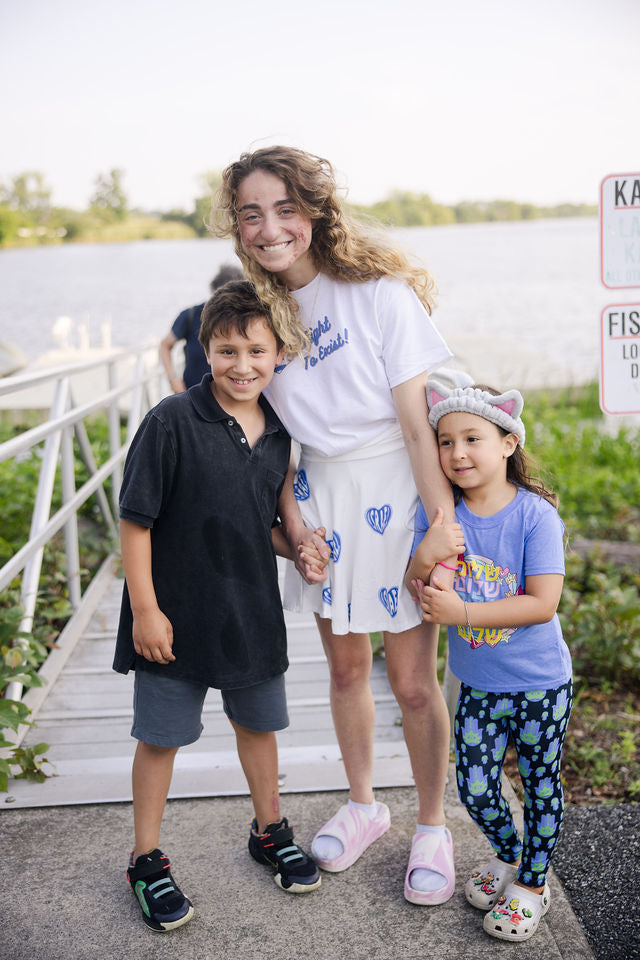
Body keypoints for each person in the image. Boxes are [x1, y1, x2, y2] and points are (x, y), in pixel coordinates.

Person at [212, 145, 458, 905]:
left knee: (413, 683)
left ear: (315, 212)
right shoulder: (260, 314)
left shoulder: (380, 294)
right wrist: (292, 524)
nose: (270, 227)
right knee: (347, 671)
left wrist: (440, 528)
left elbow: (419, 429)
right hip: (322, 502)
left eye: (285, 208)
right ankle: (363, 806)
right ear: (237, 228)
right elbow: (280, 443)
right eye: (251, 213)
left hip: (398, 489)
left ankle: (430, 825)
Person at [113, 280, 325, 933]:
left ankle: (269, 830)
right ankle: (146, 859)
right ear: (205, 349)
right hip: (172, 614)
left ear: (279, 352)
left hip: (249, 612)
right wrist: (145, 610)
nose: (242, 365)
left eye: (256, 351)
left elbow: (263, 522)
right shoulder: (172, 420)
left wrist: (301, 549)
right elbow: (136, 522)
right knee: (160, 738)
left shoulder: (282, 433)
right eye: (227, 350)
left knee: (259, 728)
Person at [406, 380, 572, 943]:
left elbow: (542, 603)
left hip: (538, 683)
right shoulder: (446, 518)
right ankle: (512, 856)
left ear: (507, 443)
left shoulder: (534, 517)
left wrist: (463, 612)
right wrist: (427, 557)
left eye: (472, 438)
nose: (457, 453)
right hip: (476, 683)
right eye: (445, 441)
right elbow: (426, 594)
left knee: (539, 782)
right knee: (475, 787)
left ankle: (531, 885)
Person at [159, 263, 243, 392]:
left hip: (229, 397)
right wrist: (173, 379)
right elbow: (165, 345)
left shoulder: (244, 319)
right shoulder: (191, 315)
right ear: (215, 291)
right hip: (192, 396)